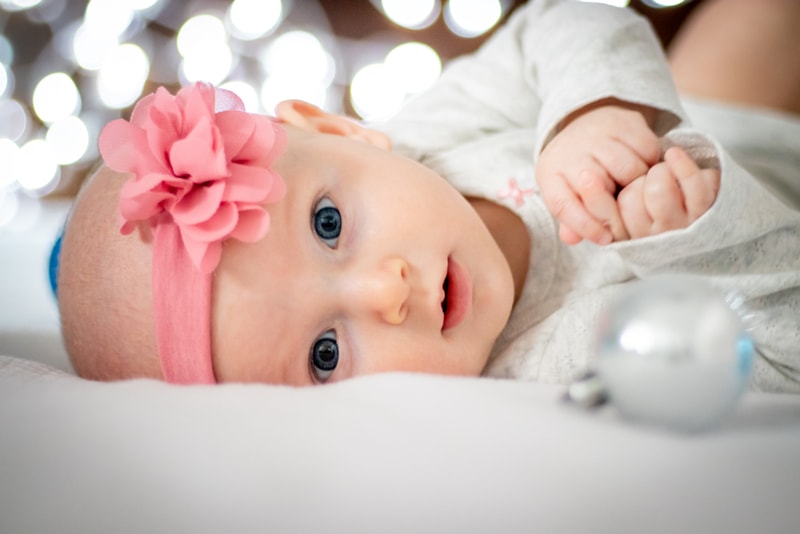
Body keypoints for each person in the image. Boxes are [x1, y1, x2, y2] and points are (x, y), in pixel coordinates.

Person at [56, 0, 800, 392]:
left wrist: (585, 114)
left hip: (716, 106)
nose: (387, 290)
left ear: (339, 130)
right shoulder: (544, 364)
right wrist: (695, 240)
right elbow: (783, 353)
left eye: (327, 222)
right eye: (325, 353)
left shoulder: (432, 135)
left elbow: (563, 24)